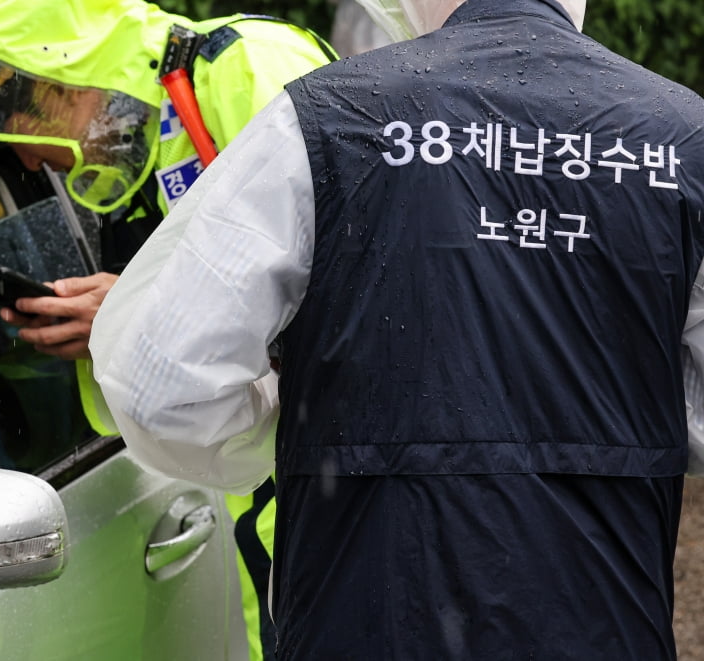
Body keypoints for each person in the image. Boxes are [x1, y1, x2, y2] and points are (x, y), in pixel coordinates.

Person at [91, 0, 704, 657]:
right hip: (602, 623)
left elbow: (158, 382)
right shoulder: (685, 136)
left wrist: (301, 418)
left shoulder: (326, 119)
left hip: (365, 621)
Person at [0, 1, 337, 658]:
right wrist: (110, 332)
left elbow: (370, 301)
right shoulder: (132, 167)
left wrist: (149, 313)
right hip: (266, 528)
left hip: (342, 504)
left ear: (58, 83)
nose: (31, 165)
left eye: (10, 133)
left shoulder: (248, 70)